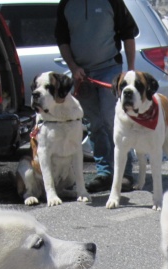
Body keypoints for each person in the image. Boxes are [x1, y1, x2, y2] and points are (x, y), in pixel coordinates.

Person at [55, 0, 138, 194]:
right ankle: (105, 173)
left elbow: (128, 34)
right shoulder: (66, 3)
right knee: (93, 124)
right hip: (82, 73)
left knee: (113, 122)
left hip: (110, 69)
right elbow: (62, 39)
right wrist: (73, 68)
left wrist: (131, 71)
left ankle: (125, 173)